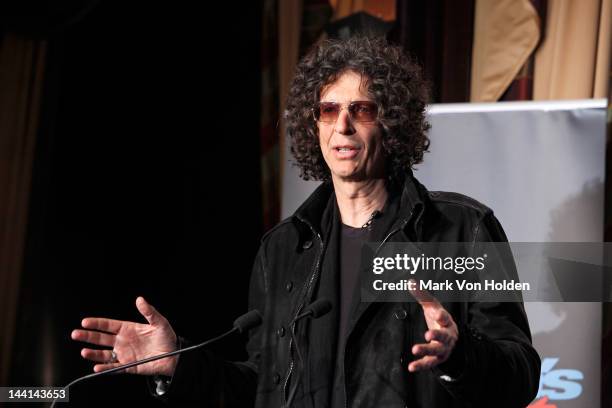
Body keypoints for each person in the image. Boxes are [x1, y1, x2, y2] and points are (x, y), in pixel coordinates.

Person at [71, 36, 541, 407]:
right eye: (328, 110)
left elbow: (520, 375)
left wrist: (460, 357)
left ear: (393, 123)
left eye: (362, 109)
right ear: (312, 126)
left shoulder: (464, 229)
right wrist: (178, 365)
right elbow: (260, 388)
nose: (343, 126)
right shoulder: (282, 250)